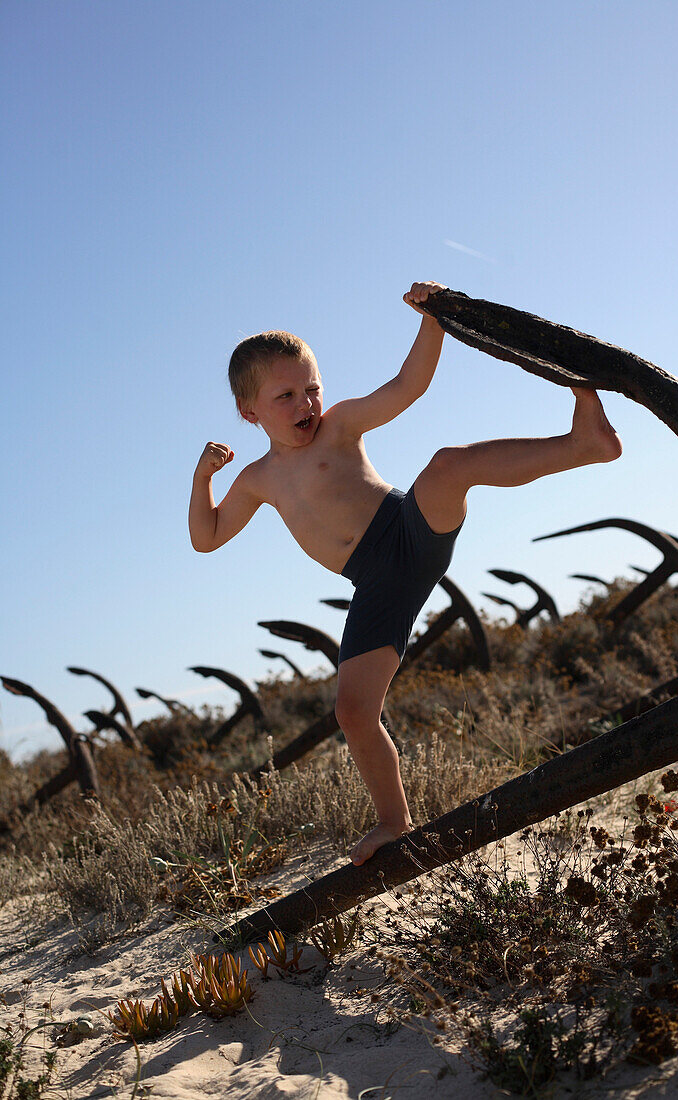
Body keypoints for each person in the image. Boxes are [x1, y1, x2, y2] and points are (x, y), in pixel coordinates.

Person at [189, 282, 622, 865]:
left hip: (408, 530)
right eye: (286, 395)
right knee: (352, 711)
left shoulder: (340, 426)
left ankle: (582, 444)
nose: (305, 405)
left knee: (447, 466)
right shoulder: (258, 479)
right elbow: (207, 538)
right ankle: (394, 821)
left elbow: (407, 386)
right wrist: (203, 480)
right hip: (375, 583)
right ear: (250, 412)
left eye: (312, 389)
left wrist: (432, 319)